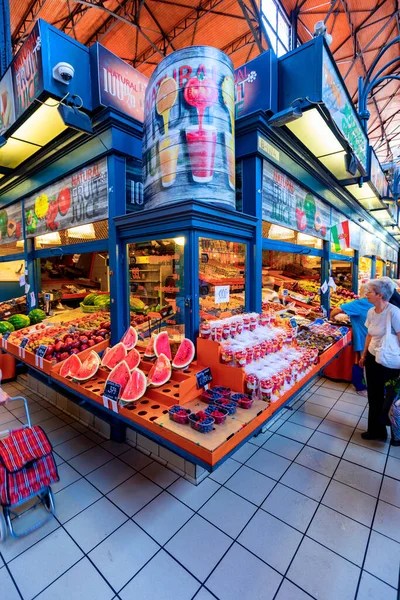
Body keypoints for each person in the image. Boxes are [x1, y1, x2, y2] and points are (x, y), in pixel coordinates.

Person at [359, 279, 400, 442]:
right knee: (374, 395)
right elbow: (369, 334)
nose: (366, 294)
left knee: (392, 398)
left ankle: (396, 432)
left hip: (391, 361)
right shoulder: (371, 311)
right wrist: (363, 355)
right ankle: (376, 431)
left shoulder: (394, 312)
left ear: (379, 295)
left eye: (369, 291)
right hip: (372, 358)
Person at [330, 283, 372, 353]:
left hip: (365, 338)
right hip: (375, 337)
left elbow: (338, 309)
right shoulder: (374, 301)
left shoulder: (360, 303)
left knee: (365, 360)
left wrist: (331, 317)